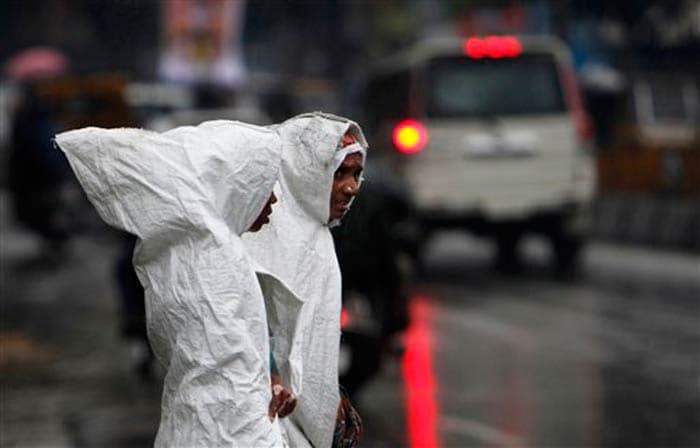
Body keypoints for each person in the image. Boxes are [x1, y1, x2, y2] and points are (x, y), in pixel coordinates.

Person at [55, 120, 298, 447]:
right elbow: (225, 375)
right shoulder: (213, 256)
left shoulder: (191, 246)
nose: (273, 200)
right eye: (265, 185)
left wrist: (268, 381)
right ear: (237, 186)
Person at [244, 112, 368, 448]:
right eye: (338, 172)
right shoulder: (261, 232)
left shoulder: (317, 233)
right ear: (306, 171)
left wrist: (329, 395)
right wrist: (269, 377)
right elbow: (245, 321)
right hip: (263, 411)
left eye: (356, 173)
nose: (351, 187)